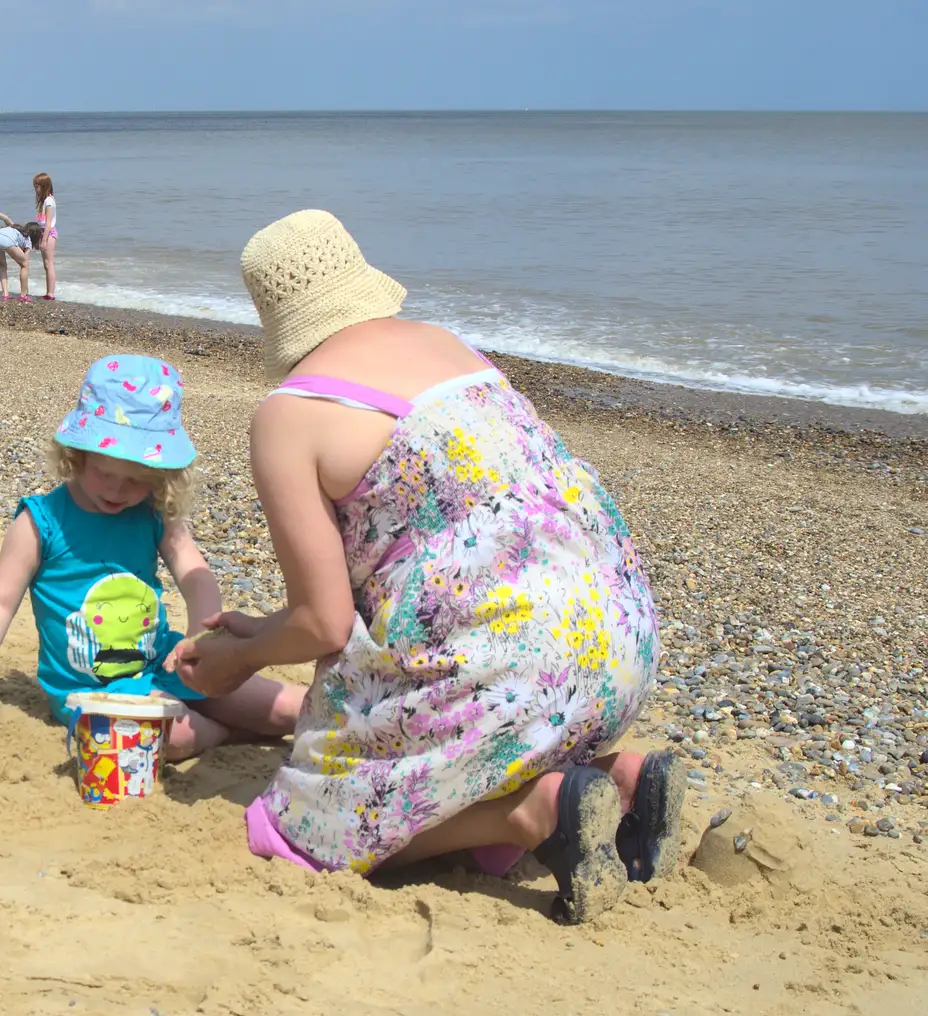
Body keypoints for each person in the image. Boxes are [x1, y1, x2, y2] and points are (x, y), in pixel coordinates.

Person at [172, 210, 675, 924]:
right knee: (436, 738)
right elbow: (424, 558)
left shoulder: (290, 414)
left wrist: (236, 663)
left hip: (515, 662)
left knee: (311, 822)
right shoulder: (450, 346)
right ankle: (618, 778)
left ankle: (537, 812)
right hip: (616, 638)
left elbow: (324, 622)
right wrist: (262, 630)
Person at [0, 354, 305, 760]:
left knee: (291, 708)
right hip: (89, 691)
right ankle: (226, 736)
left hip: (162, 661)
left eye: (136, 480)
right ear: (77, 455)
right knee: (169, 735)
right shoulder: (41, 521)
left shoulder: (153, 514)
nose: (116, 490)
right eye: (104, 473)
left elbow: (196, 575)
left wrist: (200, 638)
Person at [0, 210, 43, 301]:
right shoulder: (28, 240)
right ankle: (23, 295)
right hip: (8, 240)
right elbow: (25, 263)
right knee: (24, 266)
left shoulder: (16, 228)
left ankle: (5, 294)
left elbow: (7, 219)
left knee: (3, 265)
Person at [32, 173, 58, 300]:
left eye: (37, 186)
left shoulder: (49, 201)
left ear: (44, 186)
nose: (35, 189)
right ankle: (48, 292)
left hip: (49, 233)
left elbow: (48, 222)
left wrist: (44, 239)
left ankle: (51, 293)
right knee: (46, 264)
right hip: (43, 232)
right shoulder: (44, 201)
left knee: (49, 263)